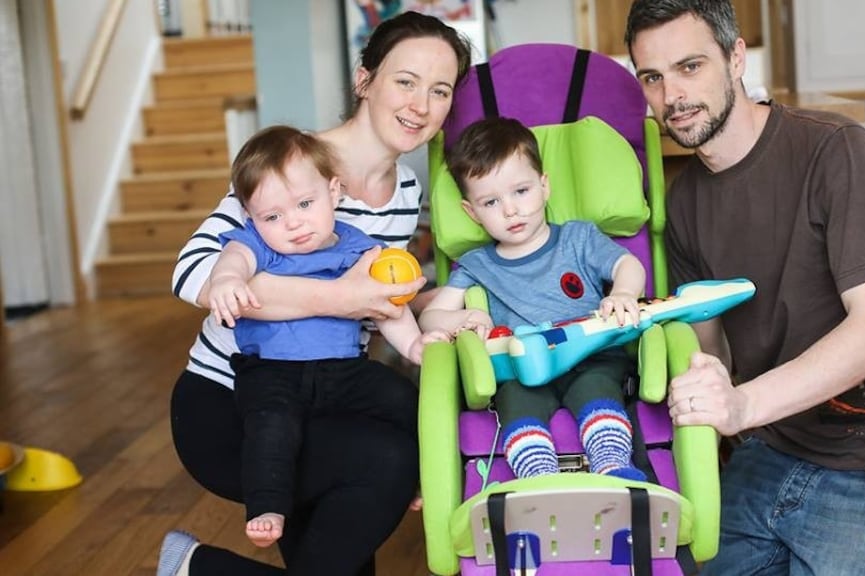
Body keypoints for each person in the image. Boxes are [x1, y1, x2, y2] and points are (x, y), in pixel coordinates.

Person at [624, 1, 865, 574]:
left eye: (690, 66)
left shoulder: (835, 149)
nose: (672, 95)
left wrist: (744, 403)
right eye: (653, 77)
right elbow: (711, 354)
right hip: (772, 450)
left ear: (735, 58)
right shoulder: (684, 203)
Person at [159, 11, 471, 576]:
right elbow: (195, 276)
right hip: (234, 404)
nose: (421, 105)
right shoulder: (290, 168)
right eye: (405, 81)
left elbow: (370, 302)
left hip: (328, 391)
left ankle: (196, 568)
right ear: (364, 80)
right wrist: (345, 301)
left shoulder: (403, 190)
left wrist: (438, 306)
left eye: (440, 90)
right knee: (390, 461)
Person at [205, 125, 445, 549]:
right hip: (272, 373)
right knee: (270, 427)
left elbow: (386, 304)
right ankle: (267, 505)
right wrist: (226, 281)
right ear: (251, 217)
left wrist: (411, 345)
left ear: (334, 192)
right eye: (273, 216)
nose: (293, 223)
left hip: (343, 371)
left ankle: (419, 478)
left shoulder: (357, 247)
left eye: (304, 204)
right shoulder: (258, 245)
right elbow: (233, 260)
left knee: (402, 399)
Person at [418, 117, 648, 482]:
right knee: (515, 406)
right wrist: (463, 319)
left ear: (544, 187)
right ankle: (538, 481)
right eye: (491, 201)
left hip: (589, 356)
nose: (510, 210)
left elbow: (628, 264)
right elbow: (430, 317)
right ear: (471, 212)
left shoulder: (578, 238)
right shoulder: (478, 264)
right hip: (522, 370)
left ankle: (613, 465)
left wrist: (622, 293)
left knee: (596, 389)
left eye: (521, 191)